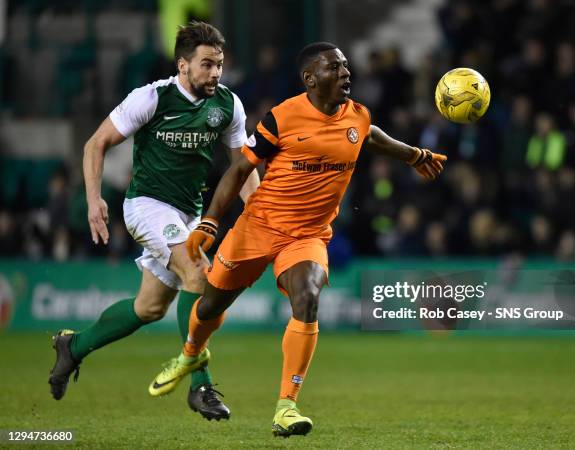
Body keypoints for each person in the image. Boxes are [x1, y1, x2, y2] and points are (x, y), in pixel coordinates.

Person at [148, 42, 446, 436]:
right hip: (257, 228)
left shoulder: (356, 116)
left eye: (345, 66)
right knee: (209, 307)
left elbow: (368, 135)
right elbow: (239, 170)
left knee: (307, 297)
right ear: (310, 79)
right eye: (334, 68)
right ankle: (189, 354)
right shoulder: (283, 117)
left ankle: (287, 406)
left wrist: (413, 155)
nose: (345, 74)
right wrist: (211, 222)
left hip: (306, 237)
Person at [48, 21, 260, 421]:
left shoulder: (228, 105)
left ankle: (72, 347)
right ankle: (201, 388)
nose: (215, 72)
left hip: (186, 212)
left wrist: (259, 210)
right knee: (198, 273)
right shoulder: (151, 98)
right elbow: (96, 143)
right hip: (146, 205)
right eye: (207, 64)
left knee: (148, 308)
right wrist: (93, 200)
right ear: (183, 65)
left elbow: (243, 167)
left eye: (219, 64)